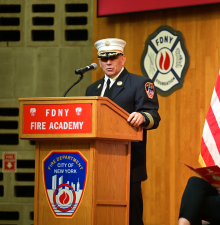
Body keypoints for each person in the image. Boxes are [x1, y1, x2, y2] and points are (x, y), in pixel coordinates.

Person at [86, 38, 161, 225]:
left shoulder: (140, 83)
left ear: (123, 59)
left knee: (131, 218)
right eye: (104, 59)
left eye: (113, 57)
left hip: (128, 162)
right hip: (97, 163)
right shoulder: (91, 89)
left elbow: (153, 116)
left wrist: (143, 118)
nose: (108, 62)